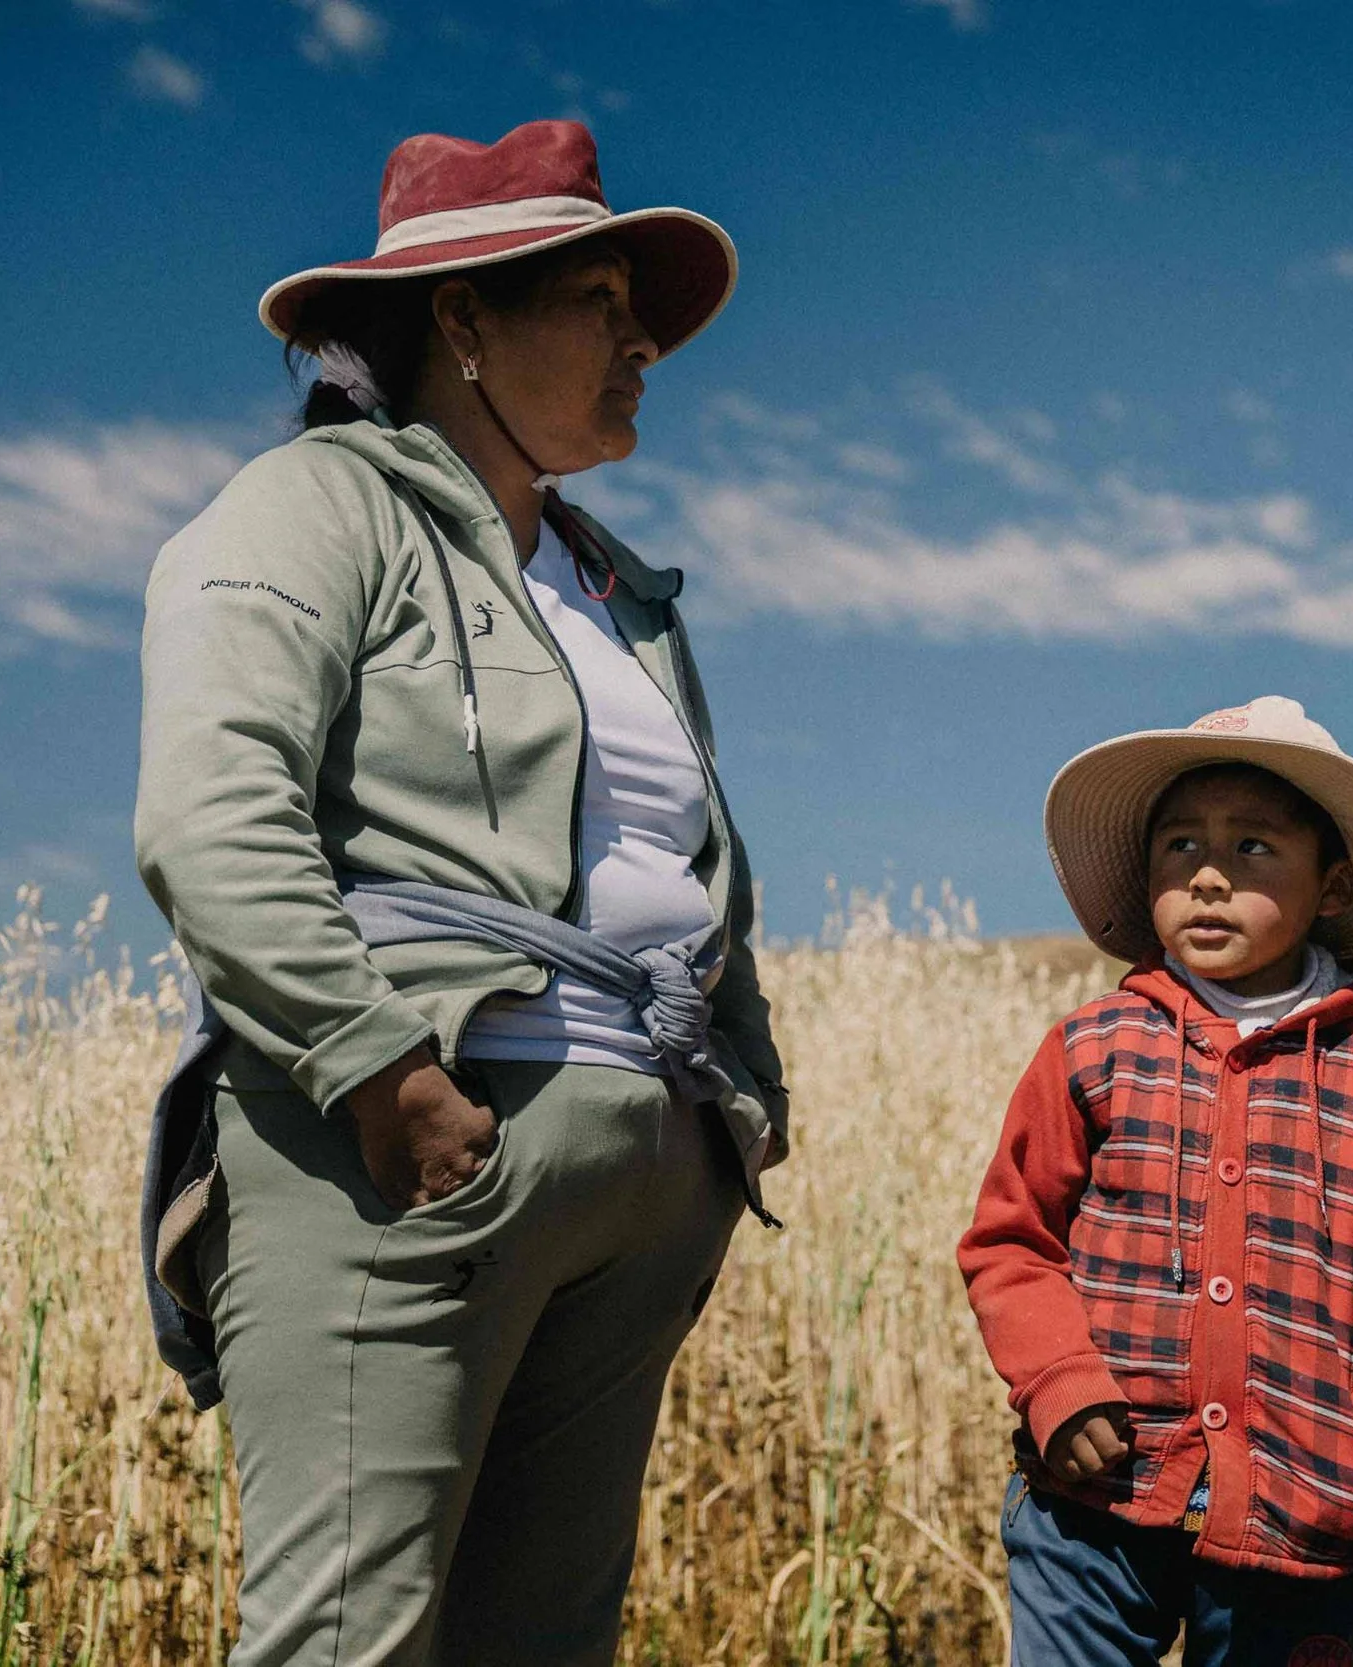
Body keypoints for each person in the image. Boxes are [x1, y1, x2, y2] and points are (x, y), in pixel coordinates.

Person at [132, 119, 787, 1665]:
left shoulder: (616, 582)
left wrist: (733, 1104)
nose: (643, 344)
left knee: (546, 1640)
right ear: (463, 318)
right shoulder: (309, 512)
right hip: (421, 1150)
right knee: (347, 1636)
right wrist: (384, 1071)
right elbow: (211, 812)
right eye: (600, 299)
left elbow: (687, 859)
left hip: (641, 1166)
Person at [959, 696, 1353, 1667]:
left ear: (1332, 884)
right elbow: (1012, 1240)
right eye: (1179, 846)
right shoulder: (1094, 1044)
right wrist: (1061, 1384)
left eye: (1251, 849)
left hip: (1305, 1508)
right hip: (1094, 1499)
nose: (1205, 875)